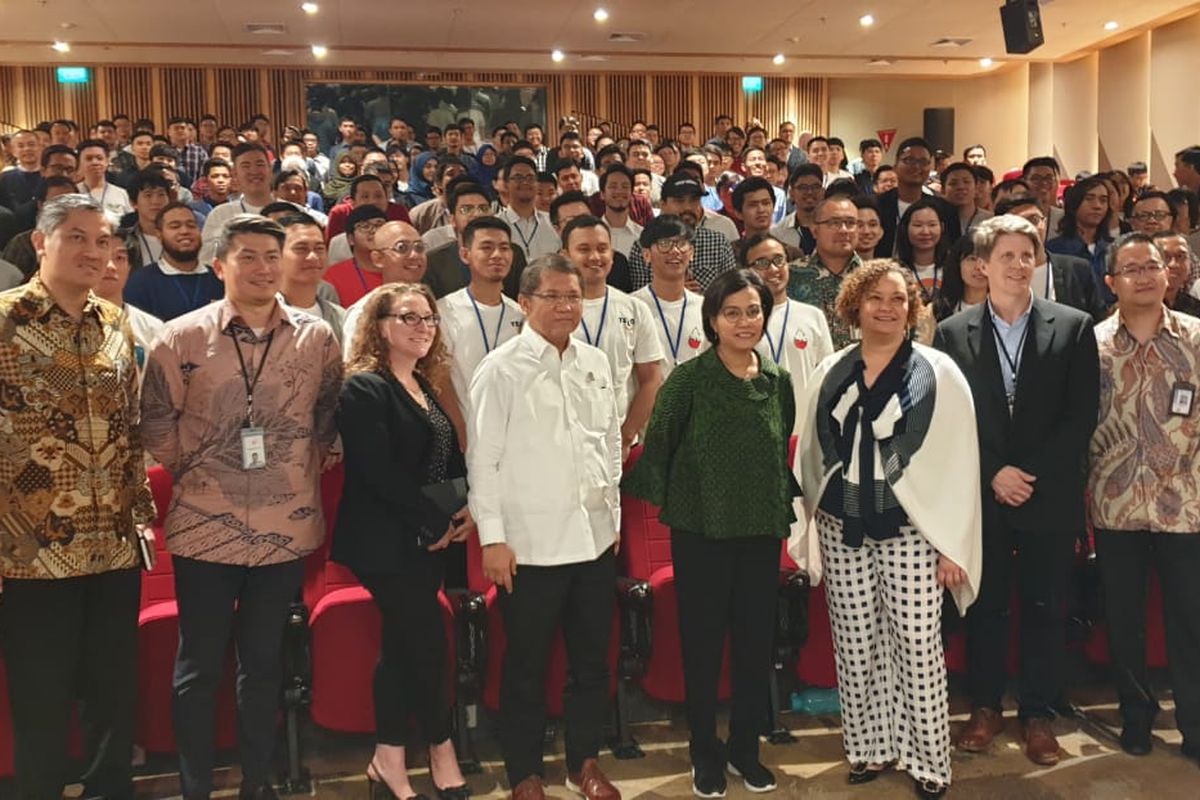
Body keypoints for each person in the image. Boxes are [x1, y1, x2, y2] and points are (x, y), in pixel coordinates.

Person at [140, 214, 342, 800]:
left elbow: (328, 414)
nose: (261, 268)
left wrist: (303, 462)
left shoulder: (317, 336)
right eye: (247, 257)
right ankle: (195, 784)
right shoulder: (179, 337)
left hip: (286, 526)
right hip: (204, 524)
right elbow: (155, 420)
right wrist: (197, 465)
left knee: (264, 664)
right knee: (198, 665)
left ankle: (259, 782)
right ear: (219, 266)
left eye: (270, 257)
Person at [794, 259, 981, 799]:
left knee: (918, 643)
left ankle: (927, 760)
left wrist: (953, 543)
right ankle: (869, 748)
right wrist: (807, 520)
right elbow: (812, 450)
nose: (886, 307)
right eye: (874, 297)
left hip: (915, 532)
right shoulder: (830, 369)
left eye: (898, 298)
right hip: (841, 523)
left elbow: (957, 464)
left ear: (912, 308)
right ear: (855, 304)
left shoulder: (938, 371)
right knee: (855, 643)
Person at [0, 194, 155, 800]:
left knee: (112, 694)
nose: (94, 252)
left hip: (113, 543)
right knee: (41, 695)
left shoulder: (115, 321)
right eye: (77, 238)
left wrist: (140, 517)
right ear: (42, 242)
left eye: (105, 242)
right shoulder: (6, 320)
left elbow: (130, 428)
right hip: (30, 549)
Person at [934, 215, 1099, 768]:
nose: (1018, 264)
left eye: (1027, 254)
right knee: (986, 605)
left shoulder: (1073, 325)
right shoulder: (954, 332)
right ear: (982, 265)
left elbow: (1081, 417)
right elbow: (950, 419)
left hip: (1047, 491)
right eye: (1005, 255)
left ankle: (1037, 713)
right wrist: (994, 473)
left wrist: (1026, 473)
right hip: (983, 493)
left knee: (1046, 605)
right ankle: (985, 707)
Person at [624, 268, 796, 797]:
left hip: (761, 531)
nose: (745, 322)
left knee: (753, 643)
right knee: (702, 645)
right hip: (701, 531)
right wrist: (694, 492)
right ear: (713, 320)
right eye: (733, 312)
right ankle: (705, 751)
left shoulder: (776, 379)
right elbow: (660, 448)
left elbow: (779, 442)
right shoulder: (688, 380)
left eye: (754, 311)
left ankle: (746, 748)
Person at [468, 255, 623, 800]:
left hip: (595, 540)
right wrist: (492, 537)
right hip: (528, 547)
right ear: (526, 303)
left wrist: (616, 517)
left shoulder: (596, 361)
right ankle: (525, 773)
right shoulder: (501, 369)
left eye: (573, 296)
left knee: (591, 664)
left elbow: (609, 440)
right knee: (527, 668)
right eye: (553, 297)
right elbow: (481, 460)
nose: (565, 307)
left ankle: (583, 763)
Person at [334, 282, 474, 800]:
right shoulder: (364, 387)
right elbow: (377, 472)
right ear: (380, 324)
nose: (423, 327)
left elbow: (446, 457)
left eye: (429, 319)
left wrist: (462, 509)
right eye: (409, 318)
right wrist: (431, 522)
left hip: (429, 535)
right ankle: (441, 747)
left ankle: (388, 760)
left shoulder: (422, 382)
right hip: (385, 541)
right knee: (428, 643)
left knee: (401, 647)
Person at [1089, 232, 1200, 765]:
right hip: (1115, 508)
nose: (1144, 275)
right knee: (1125, 618)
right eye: (1130, 269)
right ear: (1111, 282)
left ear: (1169, 274)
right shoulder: (1090, 344)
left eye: (1152, 265)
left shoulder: (1197, 338)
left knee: (1191, 620)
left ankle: (1196, 727)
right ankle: (1136, 717)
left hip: (1188, 504)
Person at [560, 215, 664, 454]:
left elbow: (650, 379)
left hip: (622, 441)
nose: (595, 257)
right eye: (584, 249)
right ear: (565, 255)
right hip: (567, 443)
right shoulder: (551, 310)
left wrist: (627, 436)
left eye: (602, 248)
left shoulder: (634, 308)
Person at [438, 216, 525, 444]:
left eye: (504, 248)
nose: (497, 255)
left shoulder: (521, 314)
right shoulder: (445, 310)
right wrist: (459, 427)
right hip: (468, 433)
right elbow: (440, 376)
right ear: (465, 254)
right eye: (486, 247)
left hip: (515, 435)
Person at [740, 232, 833, 429]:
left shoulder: (812, 316)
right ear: (746, 270)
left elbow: (827, 378)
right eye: (762, 263)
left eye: (779, 260)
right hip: (753, 431)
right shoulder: (738, 321)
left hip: (804, 432)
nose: (773, 269)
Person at [992, 196, 1108, 323]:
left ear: (1045, 223)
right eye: (1017, 223)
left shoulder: (1077, 269)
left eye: (1034, 220)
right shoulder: (993, 272)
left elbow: (1098, 320)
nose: (1028, 228)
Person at [630, 215, 709, 379]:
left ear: (691, 253)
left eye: (681, 244)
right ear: (646, 255)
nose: (674, 251)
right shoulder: (631, 307)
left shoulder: (706, 308)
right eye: (664, 244)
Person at [124, 201, 225, 321]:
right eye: (175, 226)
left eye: (191, 225)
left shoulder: (219, 279)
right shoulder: (140, 282)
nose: (185, 231)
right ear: (159, 235)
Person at [787, 196, 864, 349]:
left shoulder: (875, 278)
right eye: (834, 223)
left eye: (850, 223)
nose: (843, 230)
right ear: (814, 230)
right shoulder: (791, 275)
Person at [97, 235, 164, 385]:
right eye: (102, 257)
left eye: (119, 258)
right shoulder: (65, 324)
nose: (110, 266)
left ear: (130, 268)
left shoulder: (153, 327)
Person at [1046, 176, 1117, 308]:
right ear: (1074, 204)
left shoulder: (1115, 248)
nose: (1097, 206)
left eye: (1103, 200)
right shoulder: (1054, 249)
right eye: (1089, 199)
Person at [277, 212, 346, 345]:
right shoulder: (258, 316)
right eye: (301, 249)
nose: (313, 257)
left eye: (319, 248)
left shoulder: (340, 317)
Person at [895, 199, 953, 303]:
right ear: (905, 228)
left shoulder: (954, 267)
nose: (925, 232)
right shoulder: (895, 270)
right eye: (918, 225)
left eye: (932, 225)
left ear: (942, 227)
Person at [931, 236, 988, 320]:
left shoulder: (1009, 309)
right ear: (957, 264)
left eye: (986, 259)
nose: (979, 267)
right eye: (972, 259)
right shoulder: (936, 310)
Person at [852, 196, 884, 262]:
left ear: (881, 232)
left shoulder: (889, 270)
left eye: (872, 225)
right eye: (859, 225)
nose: (866, 231)